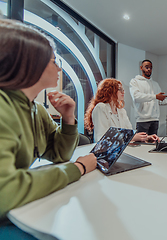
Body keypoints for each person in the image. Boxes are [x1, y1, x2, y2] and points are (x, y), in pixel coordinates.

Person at [0, 19, 97, 236]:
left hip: (18, 209)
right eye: (54, 61)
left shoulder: (37, 109)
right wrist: (78, 169)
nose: (58, 67)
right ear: (30, 64)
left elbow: (59, 154)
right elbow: (4, 193)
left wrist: (68, 117)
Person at [84, 78, 160, 143]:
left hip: (123, 150)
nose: (123, 92)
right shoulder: (101, 108)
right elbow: (102, 138)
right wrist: (131, 138)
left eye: (123, 89)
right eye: (120, 89)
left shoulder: (121, 111)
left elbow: (129, 133)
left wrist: (146, 138)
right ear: (109, 91)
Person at [129, 60, 167, 135]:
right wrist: (155, 96)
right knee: (142, 144)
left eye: (151, 68)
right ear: (141, 68)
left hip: (155, 120)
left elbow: (160, 101)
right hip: (142, 120)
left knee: (153, 144)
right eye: (147, 67)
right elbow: (136, 97)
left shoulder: (155, 84)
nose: (149, 69)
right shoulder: (135, 81)